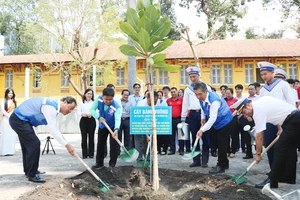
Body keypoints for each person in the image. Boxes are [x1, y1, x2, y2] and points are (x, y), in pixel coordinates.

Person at [231, 96, 300, 188]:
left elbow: (259, 136)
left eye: (244, 112)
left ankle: (272, 180)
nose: (245, 115)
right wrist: (280, 128)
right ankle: (288, 178)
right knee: (290, 148)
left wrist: (258, 154)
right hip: (293, 119)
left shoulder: (258, 111)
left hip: (293, 121)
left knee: (279, 148)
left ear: (248, 105)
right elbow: (277, 111)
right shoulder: (261, 101)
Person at [9, 96, 76, 183]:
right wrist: (67, 145)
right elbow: (53, 130)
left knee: (28, 145)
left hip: (22, 120)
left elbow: (56, 129)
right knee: (34, 144)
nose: (70, 112)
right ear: (65, 102)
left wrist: (66, 143)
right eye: (70, 108)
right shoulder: (50, 107)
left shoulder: (54, 106)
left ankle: (29, 170)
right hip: (19, 120)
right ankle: (32, 174)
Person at [253, 61, 295, 189]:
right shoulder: (263, 89)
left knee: (286, 150)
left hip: (286, 122)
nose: (264, 77)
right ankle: (273, 177)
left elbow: (291, 104)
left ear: (272, 72)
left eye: (266, 73)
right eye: (262, 75)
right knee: (271, 149)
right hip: (270, 123)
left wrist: (283, 126)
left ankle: (287, 176)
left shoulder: (283, 85)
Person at [194, 82, 233, 173]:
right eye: (196, 94)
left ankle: (221, 166)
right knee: (216, 142)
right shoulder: (201, 98)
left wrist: (201, 130)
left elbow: (212, 118)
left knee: (222, 143)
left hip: (224, 121)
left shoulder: (214, 100)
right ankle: (225, 163)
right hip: (216, 122)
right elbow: (203, 108)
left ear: (206, 91)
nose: (198, 97)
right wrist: (203, 117)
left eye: (200, 94)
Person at [181, 67, 211, 168]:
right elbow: (185, 104)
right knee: (194, 137)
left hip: (205, 114)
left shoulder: (206, 87)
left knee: (205, 137)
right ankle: (196, 160)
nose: (193, 79)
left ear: (198, 76)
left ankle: (205, 160)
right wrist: (183, 117)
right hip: (193, 115)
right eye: (191, 77)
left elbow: (208, 101)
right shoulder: (188, 90)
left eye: (194, 76)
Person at [91, 88, 121, 168]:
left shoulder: (116, 106)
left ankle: (112, 164)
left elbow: (117, 118)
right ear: (102, 96)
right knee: (100, 144)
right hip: (102, 125)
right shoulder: (98, 100)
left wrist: (116, 129)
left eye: (110, 99)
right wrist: (98, 117)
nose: (108, 101)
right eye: (106, 99)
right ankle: (99, 163)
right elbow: (92, 109)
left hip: (113, 126)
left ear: (113, 98)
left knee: (114, 145)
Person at [136, 91, 166, 161]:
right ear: (147, 98)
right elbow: (141, 121)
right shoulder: (141, 104)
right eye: (151, 101)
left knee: (149, 144)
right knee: (140, 143)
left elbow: (158, 115)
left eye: (155, 102)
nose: (153, 103)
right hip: (139, 126)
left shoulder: (158, 102)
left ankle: (148, 159)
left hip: (150, 125)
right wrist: (147, 135)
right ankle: (140, 159)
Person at [77, 89, 96, 159]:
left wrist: (92, 114)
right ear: (85, 94)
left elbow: (97, 111)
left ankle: (91, 154)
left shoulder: (94, 103)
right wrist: (82, 114)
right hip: (83, 120)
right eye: (88, 93)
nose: (89, 95)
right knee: (84, 138)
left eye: (91, 94)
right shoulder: (81, 103)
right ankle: (84, 154)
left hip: (91, 120)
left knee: (91, 137)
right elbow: (78, 112)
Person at [0, 88, 17, 156]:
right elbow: (3, 111)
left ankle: (11, 151)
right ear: (6, 93)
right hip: (5, 120)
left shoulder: (14, 102)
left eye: (11, 93)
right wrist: (9, 116)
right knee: (5, 135)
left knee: (12, 135)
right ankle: (4, 151)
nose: (10, 94)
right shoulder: (3, 101)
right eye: (9, 93)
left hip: (12, 120)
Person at [166, 87, 183, 155]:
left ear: (177, 92)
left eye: (174, 92)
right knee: (171, 135)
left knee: (180, 135)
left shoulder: (181, 100)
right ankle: (172, 149)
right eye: (172, 92)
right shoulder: (168, 101)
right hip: (171, 119)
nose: (173, 93)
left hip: (179, 119)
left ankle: (181, 150)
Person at [128, 83, 144, 148]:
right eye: (136, 87)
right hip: (132, 117)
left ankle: (139, 147)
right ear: (134, 89)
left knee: (140, 133)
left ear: (140, 88)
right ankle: (132, 147)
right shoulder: (130, 97)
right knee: (131, 134)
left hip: (140, 117)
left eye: (138, 87)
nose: (137, 89)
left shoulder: (143, 97)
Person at [225, 88, 238, 158]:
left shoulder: (235, 100)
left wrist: (231, 116)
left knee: (234, 136)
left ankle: (233, 151)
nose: (227, 95)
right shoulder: (224, 100)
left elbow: (237, 110)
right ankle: (227, 151)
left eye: (229, 93)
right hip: (226, 120)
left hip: (233, 119)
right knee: (226, 136)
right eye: (226, 93)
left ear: (232, 93)